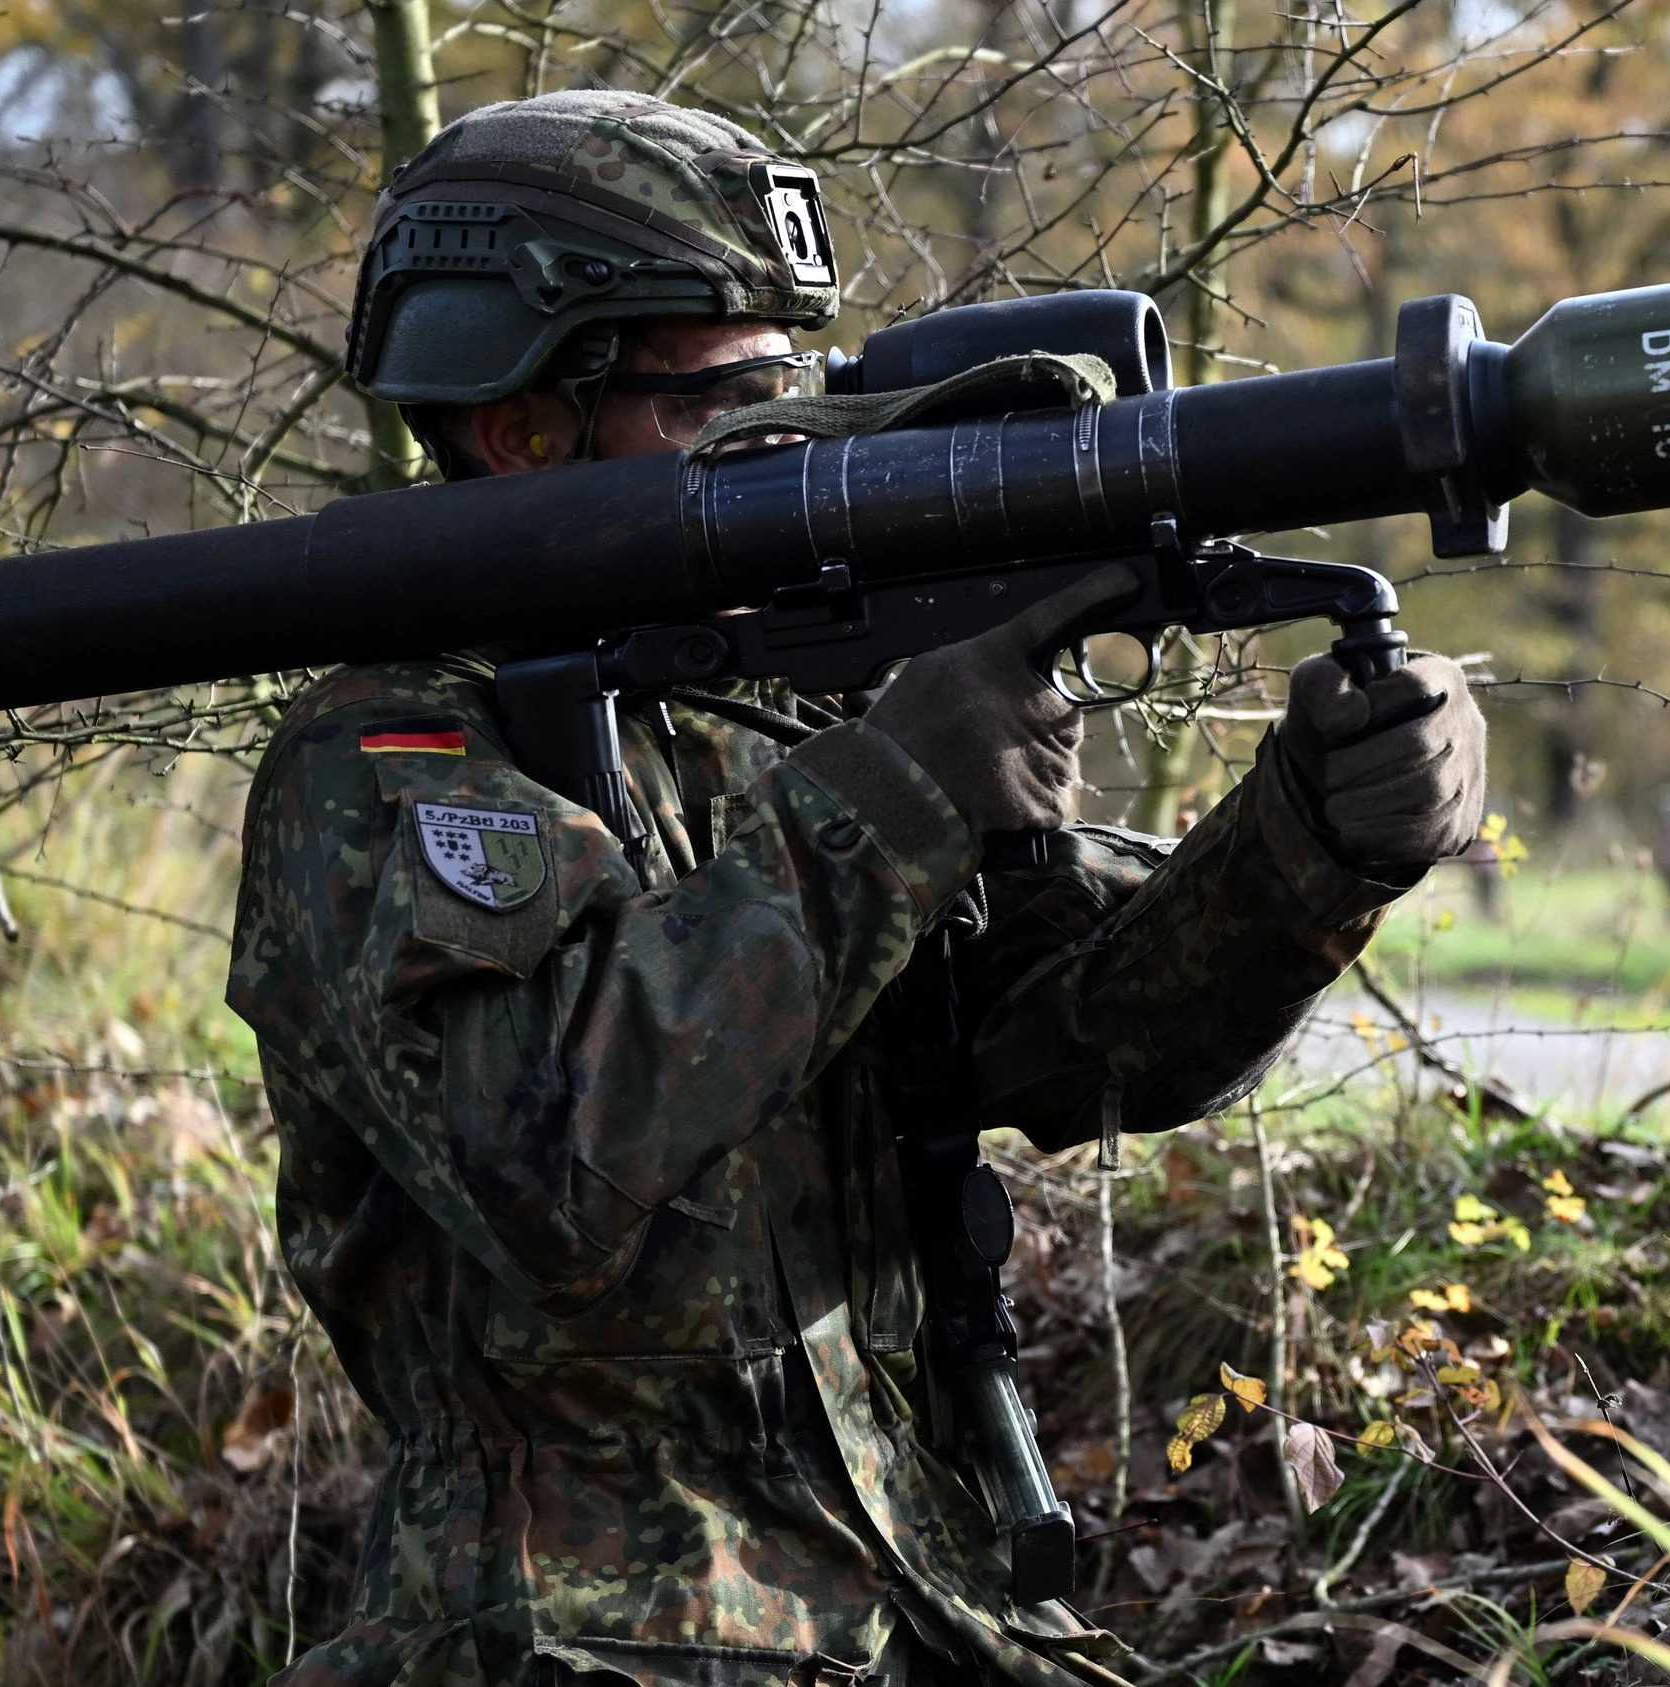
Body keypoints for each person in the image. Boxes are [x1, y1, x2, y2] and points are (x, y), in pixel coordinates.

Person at [227, 90, 1488, 1687]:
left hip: (928, 1604)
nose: (784, 444)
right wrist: (899, 787)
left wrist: (1321, 835)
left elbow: (1075, 1040)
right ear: (522, 428)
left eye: (790, 387)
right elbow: (545, 1158)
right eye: (720, 402)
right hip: (578, 1641)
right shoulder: (390, 753)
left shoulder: (769, 711)